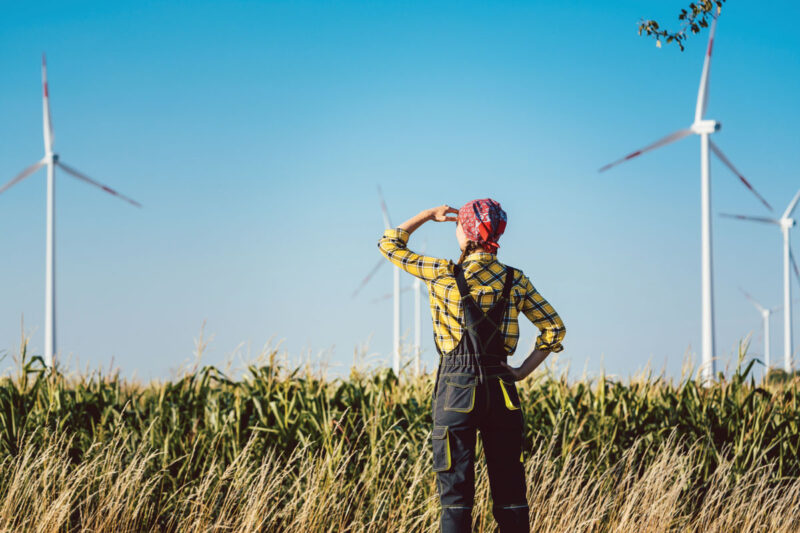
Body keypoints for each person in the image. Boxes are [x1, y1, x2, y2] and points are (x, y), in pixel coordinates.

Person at [377, 199, 566, 533]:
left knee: (456, 500)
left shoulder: (442, 273)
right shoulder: (515, 280)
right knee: (511, 497)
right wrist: (521, 371)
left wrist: (426, 214)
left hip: (455, 391)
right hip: (502, 390)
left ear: (464, 231)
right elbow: (554, 328)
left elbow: (389, 244)